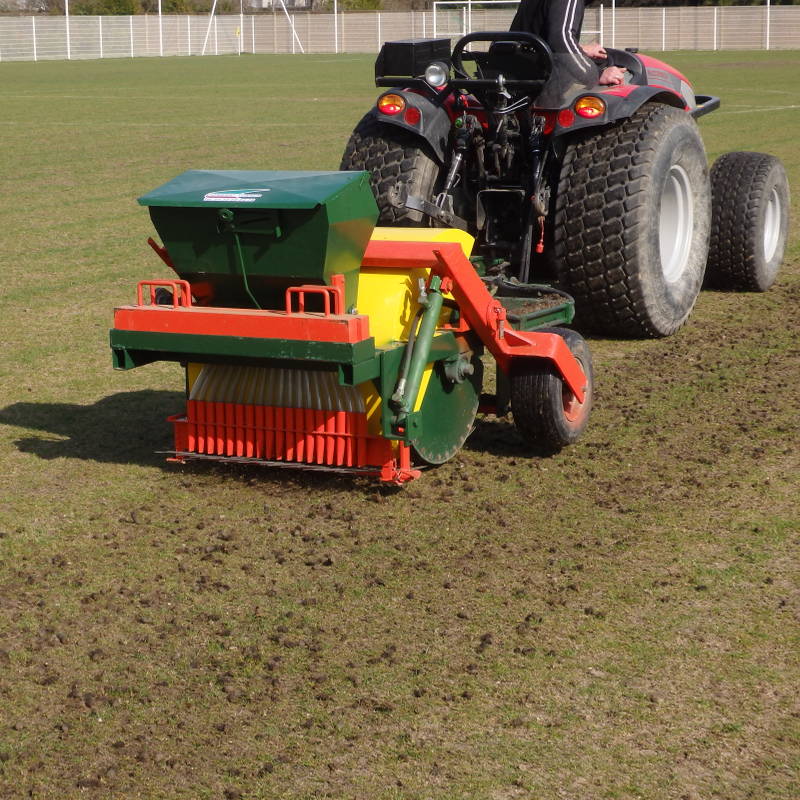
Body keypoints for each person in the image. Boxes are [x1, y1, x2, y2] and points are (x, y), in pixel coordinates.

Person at [510, 0, 626, 87]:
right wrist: (597, 75)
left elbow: (536, 34)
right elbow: (560, 39)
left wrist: (581, 49)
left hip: (508, 73)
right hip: (536, 84)